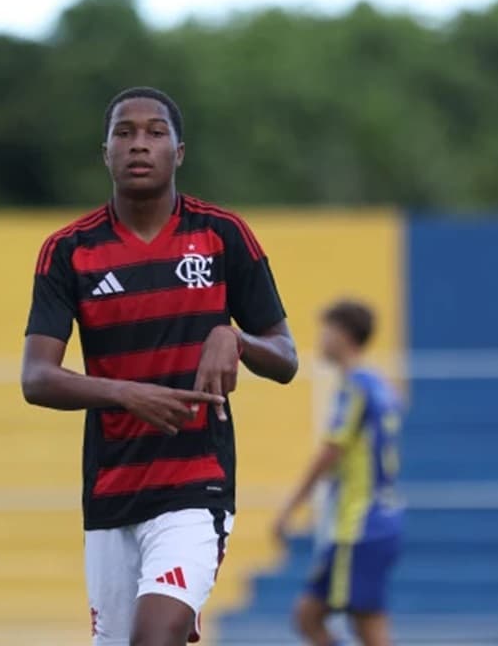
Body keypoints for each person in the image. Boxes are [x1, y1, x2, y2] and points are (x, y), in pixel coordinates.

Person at [21, 87, 299, 646]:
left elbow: (287, 356)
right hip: (112, 488)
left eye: (154, 132)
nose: (139, 144)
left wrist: (235, 338)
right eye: (124, 133)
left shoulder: (222, 236)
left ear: (179, 151)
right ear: (105, 152)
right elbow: (36, 378)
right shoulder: (68, 251)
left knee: (157, 637)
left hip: (195, 486)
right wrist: (127, 394)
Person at [274, 300, 403, 646]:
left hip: (360, 524)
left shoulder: (356, 387)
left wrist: (290, 508)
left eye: (326, 331)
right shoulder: (380, 384)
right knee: (308, 616)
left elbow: (331, 452)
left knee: (367, 624)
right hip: (372, 519)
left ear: (343, 335)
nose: (322, 339)